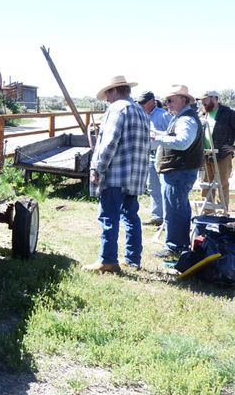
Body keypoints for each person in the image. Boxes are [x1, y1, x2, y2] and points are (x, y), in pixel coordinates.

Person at [83, 76, 150, 273]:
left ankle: (108, 260)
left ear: (114, 91)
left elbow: (109, 142)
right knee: (131, 215)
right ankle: (132, 257)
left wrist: (97, 168)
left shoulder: (117, 109)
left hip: (116, 173)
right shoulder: (141, 111)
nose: (107, 99)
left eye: (107, 95)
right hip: (135, 174)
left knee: (108, 216)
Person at [151, 85, 204, 258]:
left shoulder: (185, 120)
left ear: (184, 100)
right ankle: (178, 245)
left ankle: (176, 246)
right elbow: (177, 138)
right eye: (166, 101)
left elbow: (182, 142)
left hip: (178, 171)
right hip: (179, 171)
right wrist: (157, 134)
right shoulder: (182, 118)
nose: (167, 104)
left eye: (170, 100)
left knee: (175, 208)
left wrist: (157, 138)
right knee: (177, 207)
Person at [136, 91, 172, 226]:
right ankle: (158, 216)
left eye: (143, 102)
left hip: (161, 154)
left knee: (164, 186)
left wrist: (157, 135)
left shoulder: (164, 115)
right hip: (148, 154)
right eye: (139, 102)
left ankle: (168, 218)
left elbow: (172, 134)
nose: (141, 105)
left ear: (152, 101)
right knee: (153, 186)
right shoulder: (142, 115)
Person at [198, 90, 235, 212]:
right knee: (206, 185)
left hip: (222, 155)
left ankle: (222, 213)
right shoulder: (203, 114)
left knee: (222, 184)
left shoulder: (229, 113)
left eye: (205, 99)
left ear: (214, 98)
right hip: (205, 155)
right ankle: (207, 213)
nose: (203, 102)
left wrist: (233, 148)